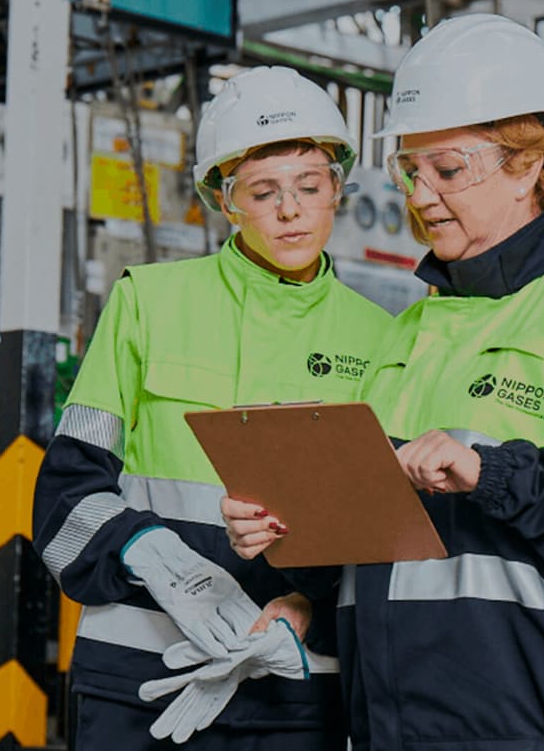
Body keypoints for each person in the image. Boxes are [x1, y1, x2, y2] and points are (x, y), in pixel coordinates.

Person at [224, 14, 544, 750]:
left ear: (525, 167)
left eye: (446, 171)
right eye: (410, 172)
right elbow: (379, 548)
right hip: (398, 727)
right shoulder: (405, 339)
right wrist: (291, 540)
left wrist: (488, 470)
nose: (420, 196)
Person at [32, 65, 391, 749]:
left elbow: (382, 539)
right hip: (141, 679)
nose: (290, 210)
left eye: (309, 187)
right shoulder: (148, 303)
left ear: (337, 189)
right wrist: (146, 550)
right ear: (226, 200)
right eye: (263, 191)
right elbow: (65, 497)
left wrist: (310, 609)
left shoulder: (383, 340)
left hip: (296, 685)